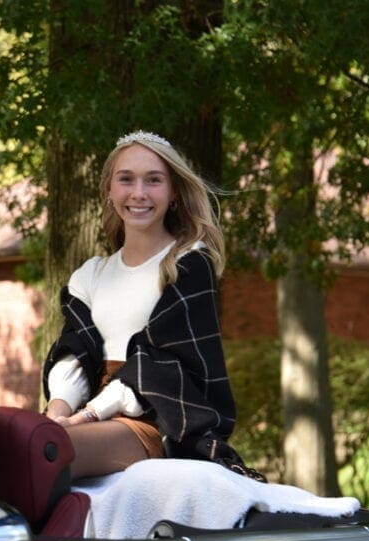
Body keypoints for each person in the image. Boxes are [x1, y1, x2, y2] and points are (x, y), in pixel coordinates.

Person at [43, 130, 263, 481]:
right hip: (90, 414)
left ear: (173, 192)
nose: (139, 193)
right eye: (126, 179)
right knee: (15, 440)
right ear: (109, 190)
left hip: (157, 417)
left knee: (50, 453)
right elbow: (75, 352)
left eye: (154, 180)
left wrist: (86, 417)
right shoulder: (91, 275)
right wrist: (57, 413)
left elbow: (165, 363)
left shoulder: (188, 264)